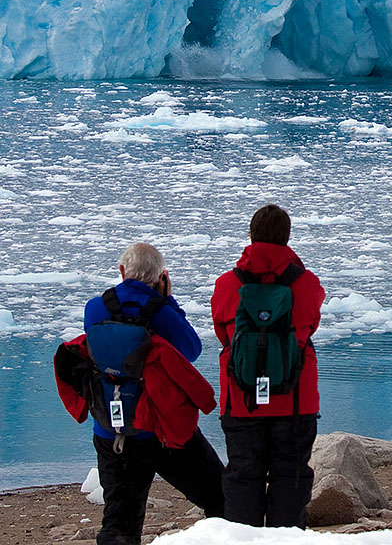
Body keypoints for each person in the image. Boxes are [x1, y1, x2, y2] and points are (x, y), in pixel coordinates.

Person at [81, 243, 224, 545]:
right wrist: (168, 301)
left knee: (119, 522)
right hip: (160, 430)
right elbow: (191, 351)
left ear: (122, 271)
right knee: (220, 495)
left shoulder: (96, 308)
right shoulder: (161, 313)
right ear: (161, 277)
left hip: (110, 430)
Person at [211, 204, 325, 528]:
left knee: (242, 477)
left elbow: (223, 334)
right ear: (287, 238)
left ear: (251, 235)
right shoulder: (306, 284)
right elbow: (310, 327)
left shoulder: (227, 284)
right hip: (295, 402)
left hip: (242, 400)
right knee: (290, 478)